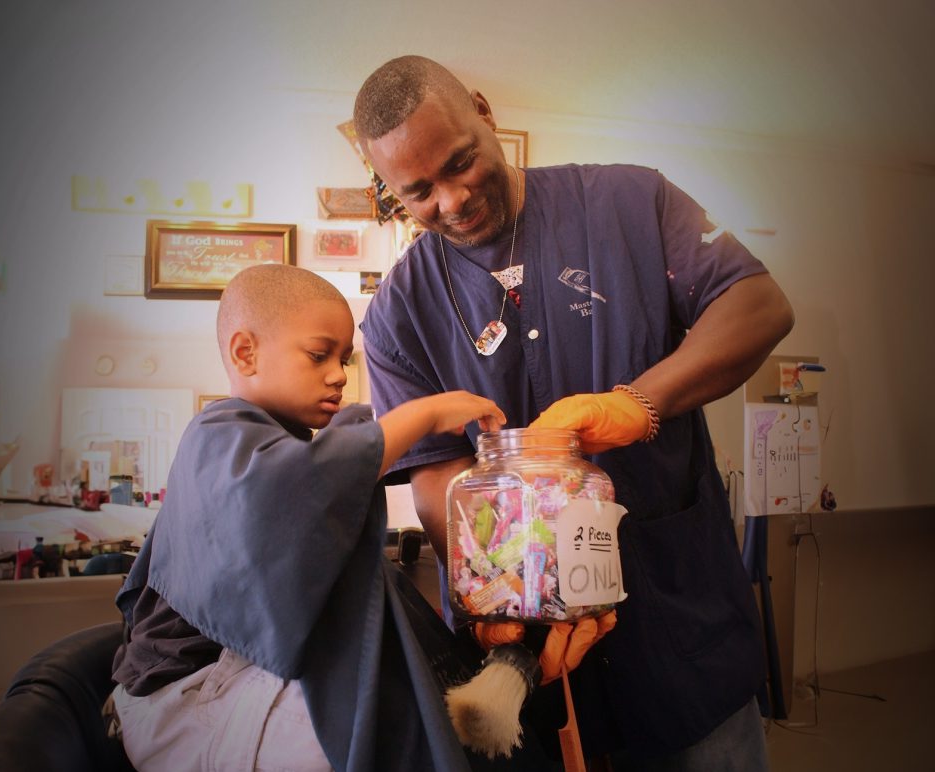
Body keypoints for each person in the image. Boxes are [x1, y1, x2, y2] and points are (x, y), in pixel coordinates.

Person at [354, 55, 795, 770]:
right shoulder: (398, 313)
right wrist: (500, 585)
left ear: (484, 110)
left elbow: (758, 306)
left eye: (462, 162)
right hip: (528, 663)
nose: (454, 199)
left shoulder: (631, 202)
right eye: (419, 192)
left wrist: (635, 404)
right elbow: (435, 475)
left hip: (681, 630)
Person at [110, 263, 511, 771]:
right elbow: (298, 486)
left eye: (343, 359)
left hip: (235, 678)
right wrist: (424, 415)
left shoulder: (281, 445)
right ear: (245, 352)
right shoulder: (216, 436)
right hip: (187, 698)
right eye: (319, 355)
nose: (339, 374)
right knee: (362, 728)